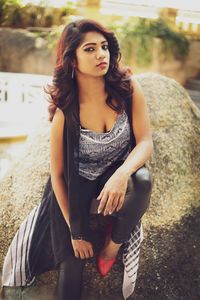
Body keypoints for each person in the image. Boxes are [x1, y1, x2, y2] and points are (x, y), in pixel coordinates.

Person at [1, 19, 153, 300]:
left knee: (142, 181)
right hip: (76, 183)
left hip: (114, 173)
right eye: (90, 49)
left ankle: (112, 245)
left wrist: (121, 175)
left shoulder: (127, 89)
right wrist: (76, 229)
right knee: (71, 265)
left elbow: (145, 142)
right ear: (72, 60)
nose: (101, 55)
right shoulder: (65, 113)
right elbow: (58, 175)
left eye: (105, 47)